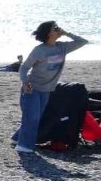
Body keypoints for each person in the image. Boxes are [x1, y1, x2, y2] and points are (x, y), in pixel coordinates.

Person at [11, 21, 88, 153]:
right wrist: (24, 82)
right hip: (32, 88)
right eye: (55, 28)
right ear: (48, 33)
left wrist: (66, 33)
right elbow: (24, 68)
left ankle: (16, 138)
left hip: (47, 90)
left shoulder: (62, 47)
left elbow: (83, 41)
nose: (58, 29)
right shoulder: (39, 50)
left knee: (37, 116)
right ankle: (24, 147)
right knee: (32, 117)